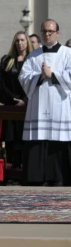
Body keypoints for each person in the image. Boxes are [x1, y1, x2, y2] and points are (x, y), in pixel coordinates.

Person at [19, 19, 71, 186]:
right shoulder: (34, 54)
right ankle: (37, 178)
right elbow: (23, 77)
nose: (47, 34)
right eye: (44, 31)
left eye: (50, 31)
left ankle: (59, 178)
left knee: (59, 141)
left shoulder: (67, 53)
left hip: (60, 105)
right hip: (39, 107)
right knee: (38, 141)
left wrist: (52, 74)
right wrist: (39, 76)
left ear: (57, 33)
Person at [0, 31, 33, 169]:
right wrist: (13, 99)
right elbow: (1, 83)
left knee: (24, 139)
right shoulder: (7, 60)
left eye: (22, 40)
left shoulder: (33, 59)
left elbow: (35, 83)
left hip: (27, 106)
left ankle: (25, 169)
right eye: (17, 40)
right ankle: (12, 168)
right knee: (10, 139)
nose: (20, 43)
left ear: (27, 42)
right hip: (10, 105)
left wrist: (24, 100)